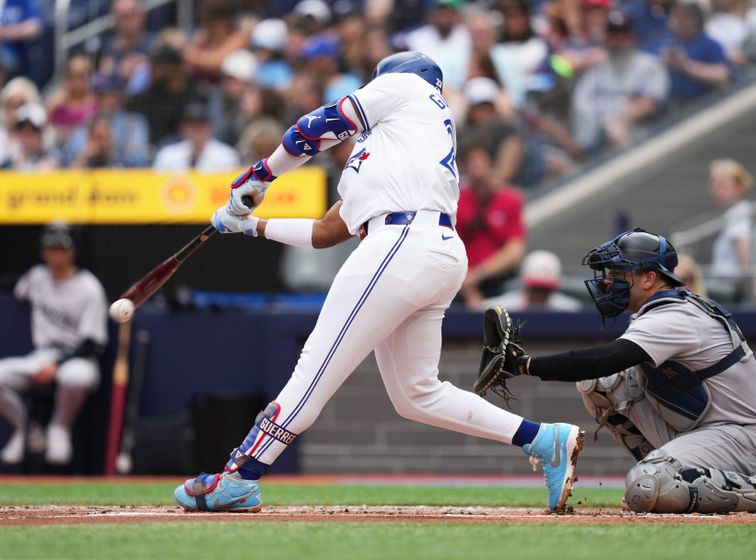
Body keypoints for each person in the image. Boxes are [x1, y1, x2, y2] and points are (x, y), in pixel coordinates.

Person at [173, 51, 585, 513]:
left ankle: (240, 475)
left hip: (402, 242)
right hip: (427, 248)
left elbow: (315, 126)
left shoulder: (410, 87)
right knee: (417, 394)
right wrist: (250, 225)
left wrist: (262, 173)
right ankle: (544, 439)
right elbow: (327, 232)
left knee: (314, 368)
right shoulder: (392, 151)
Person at [475, 228, 756, 515]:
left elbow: (607, 357)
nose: (607, 280)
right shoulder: (658, 310)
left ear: (649, 278)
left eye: (618, 272)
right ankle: (663, 472)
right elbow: (604, 371)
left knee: (645, 486)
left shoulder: (675, 316)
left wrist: (525, 365)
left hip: (737, 436)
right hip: (699, 428)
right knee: (600, 385)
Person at [0, 223, 107, 466]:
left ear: (74, 252)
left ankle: (59, 427)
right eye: (52, 248)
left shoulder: (89, 287)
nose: (56, 253)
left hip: (78, 358)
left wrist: (56, 365)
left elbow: (93, 344)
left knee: (75, 377)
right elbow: (12, 285)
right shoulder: (37, 277)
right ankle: (28, 429)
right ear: (44, 251)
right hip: (42, 355)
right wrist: (48, 363)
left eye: (62, 248)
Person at [571, 10, 669, 153]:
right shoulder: (596, 69)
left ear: (631, 36)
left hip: (645, 132)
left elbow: (650, 103)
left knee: (616, 131)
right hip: (600, 136)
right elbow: (582, 105)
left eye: (621, 33)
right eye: (612, 34)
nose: (617, 39)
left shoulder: (649, 65)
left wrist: (618, 121)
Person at [455, 143, 526, 308]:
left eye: (481, 160)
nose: (476, 166)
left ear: (491, 165)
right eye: (471, 161)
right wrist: (466, 286)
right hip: (461, 282)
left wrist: (479, 274)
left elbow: (515, 249)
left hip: (498, 281)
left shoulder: (510, 200)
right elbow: (448, 245)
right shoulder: (456, 201)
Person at [707, 158, 756, 303]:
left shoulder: (739, 215)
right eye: (715, 184)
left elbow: (744, 252)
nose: (716, 190)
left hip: (729, 292)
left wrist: (747, 294)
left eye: (722, 185)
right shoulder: (737, 213)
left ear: (739, 187)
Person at [151, 97, 240, 172]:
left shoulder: (226, 156)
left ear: (210, 128)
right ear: (183, 129)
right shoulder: (168, 155)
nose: (196, 131)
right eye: (192, 127)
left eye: (201, 126)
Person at [484, 250, 584, 312]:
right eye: (535, 289)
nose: (539, 294)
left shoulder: (569, 309)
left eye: (545, 290)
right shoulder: (501, 309)